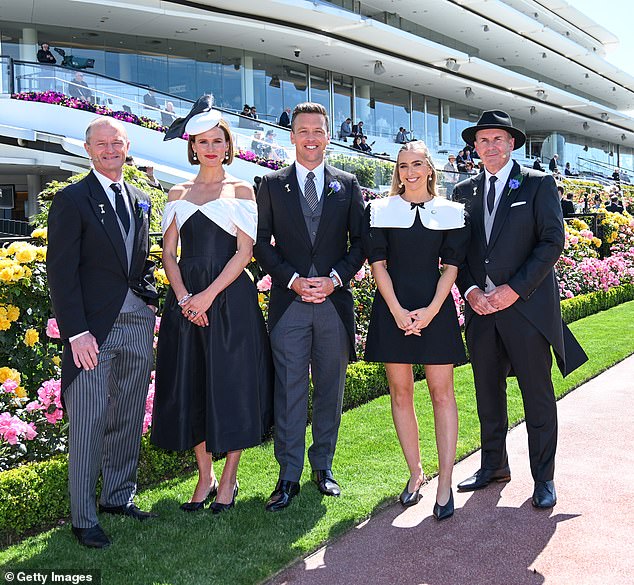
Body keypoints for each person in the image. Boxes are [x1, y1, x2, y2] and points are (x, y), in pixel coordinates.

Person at [452, 110, 587, 509]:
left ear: (511, 143)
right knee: (487, 394)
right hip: (481, 311)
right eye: (483, 140)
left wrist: (515, 289)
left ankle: (543, 477)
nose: (490, 146)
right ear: (474, 147)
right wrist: (471, 290)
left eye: (498, 139)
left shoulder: (538, 183)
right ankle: (494, 465)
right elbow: (457, 253)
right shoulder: (464, 192)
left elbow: (551, 242)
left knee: (537, 395)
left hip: (525, 309)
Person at [152, 95, 273, 514]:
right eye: (202, 141)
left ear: (228, 145)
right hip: (185, 301)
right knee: (192, 383)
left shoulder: (241, 189)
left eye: (217, 140)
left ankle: (229, 478)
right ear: (192, 146)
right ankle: (203, 476)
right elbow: (169, 253)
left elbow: (244, 253)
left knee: (232, 384)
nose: (209, 148)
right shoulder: (176, 190)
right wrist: (186, 297)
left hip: (229, 298)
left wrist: (207, 295)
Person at [47, 117, 159, 549]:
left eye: (117, 142)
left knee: (128, 416)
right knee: (89, 422)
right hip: (91, 334)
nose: (110, 149)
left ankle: (117, 496)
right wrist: (76, 333)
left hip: (136, 326)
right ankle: (83, 517)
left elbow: (138, 262)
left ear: (127, 146)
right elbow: (60, 273)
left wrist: (149, 303)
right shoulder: (72, 200)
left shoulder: (139, 197)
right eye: (102, 143)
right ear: (88, 149)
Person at [255, 102, 365, 512]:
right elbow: (261, 243)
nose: (312, 138)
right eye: (304, 131)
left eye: (318, 130)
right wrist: (293, 280)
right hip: (290, 304)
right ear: (292, 136)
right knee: (289, 391)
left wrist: (335, 278)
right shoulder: (270, 183)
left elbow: (362, 244)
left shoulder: (348, 184)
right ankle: (287, 476)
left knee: (330, 390)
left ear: (328, 135)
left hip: (334, 305)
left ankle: (323, 467)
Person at [363, 141, 469, 520]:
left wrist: (431, 311)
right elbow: (378, 264)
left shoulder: (452, 213)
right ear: (397, 170)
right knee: (401, 392)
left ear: (429, 168)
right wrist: (396, 311)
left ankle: (444, 483)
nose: (410, 171)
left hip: (435, 309)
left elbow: (452, 268)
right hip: (393, 309)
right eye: (403, 165)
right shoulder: (378, 210)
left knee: (443, 395)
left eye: (417, 164)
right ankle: (415, 474)